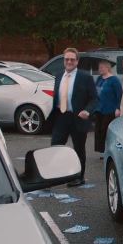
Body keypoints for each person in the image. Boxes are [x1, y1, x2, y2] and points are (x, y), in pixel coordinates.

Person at [51, 48, 98, 187]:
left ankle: (79, 177)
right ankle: (54, 176)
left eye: (72, 59)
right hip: (61, 117)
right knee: (55, 146)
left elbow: (94, 99)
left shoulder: (85, 77)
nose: (69, 62)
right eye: (67, 59)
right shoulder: (59, 76)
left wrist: (87, 111)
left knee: (78, 149)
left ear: (77, 61)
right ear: (64, 61)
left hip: (78, 117)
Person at [93, 60, 122, 155]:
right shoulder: (99, 79)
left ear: (107, 68)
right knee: (98, 130)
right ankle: (101, 150)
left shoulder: (114, 80)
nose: (99, 69)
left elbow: (119, 95)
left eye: (101, 67)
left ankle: (108, 150)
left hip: (110, 109)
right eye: (99, 67)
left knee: (105, 130)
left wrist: (118, 108)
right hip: (99, 108)